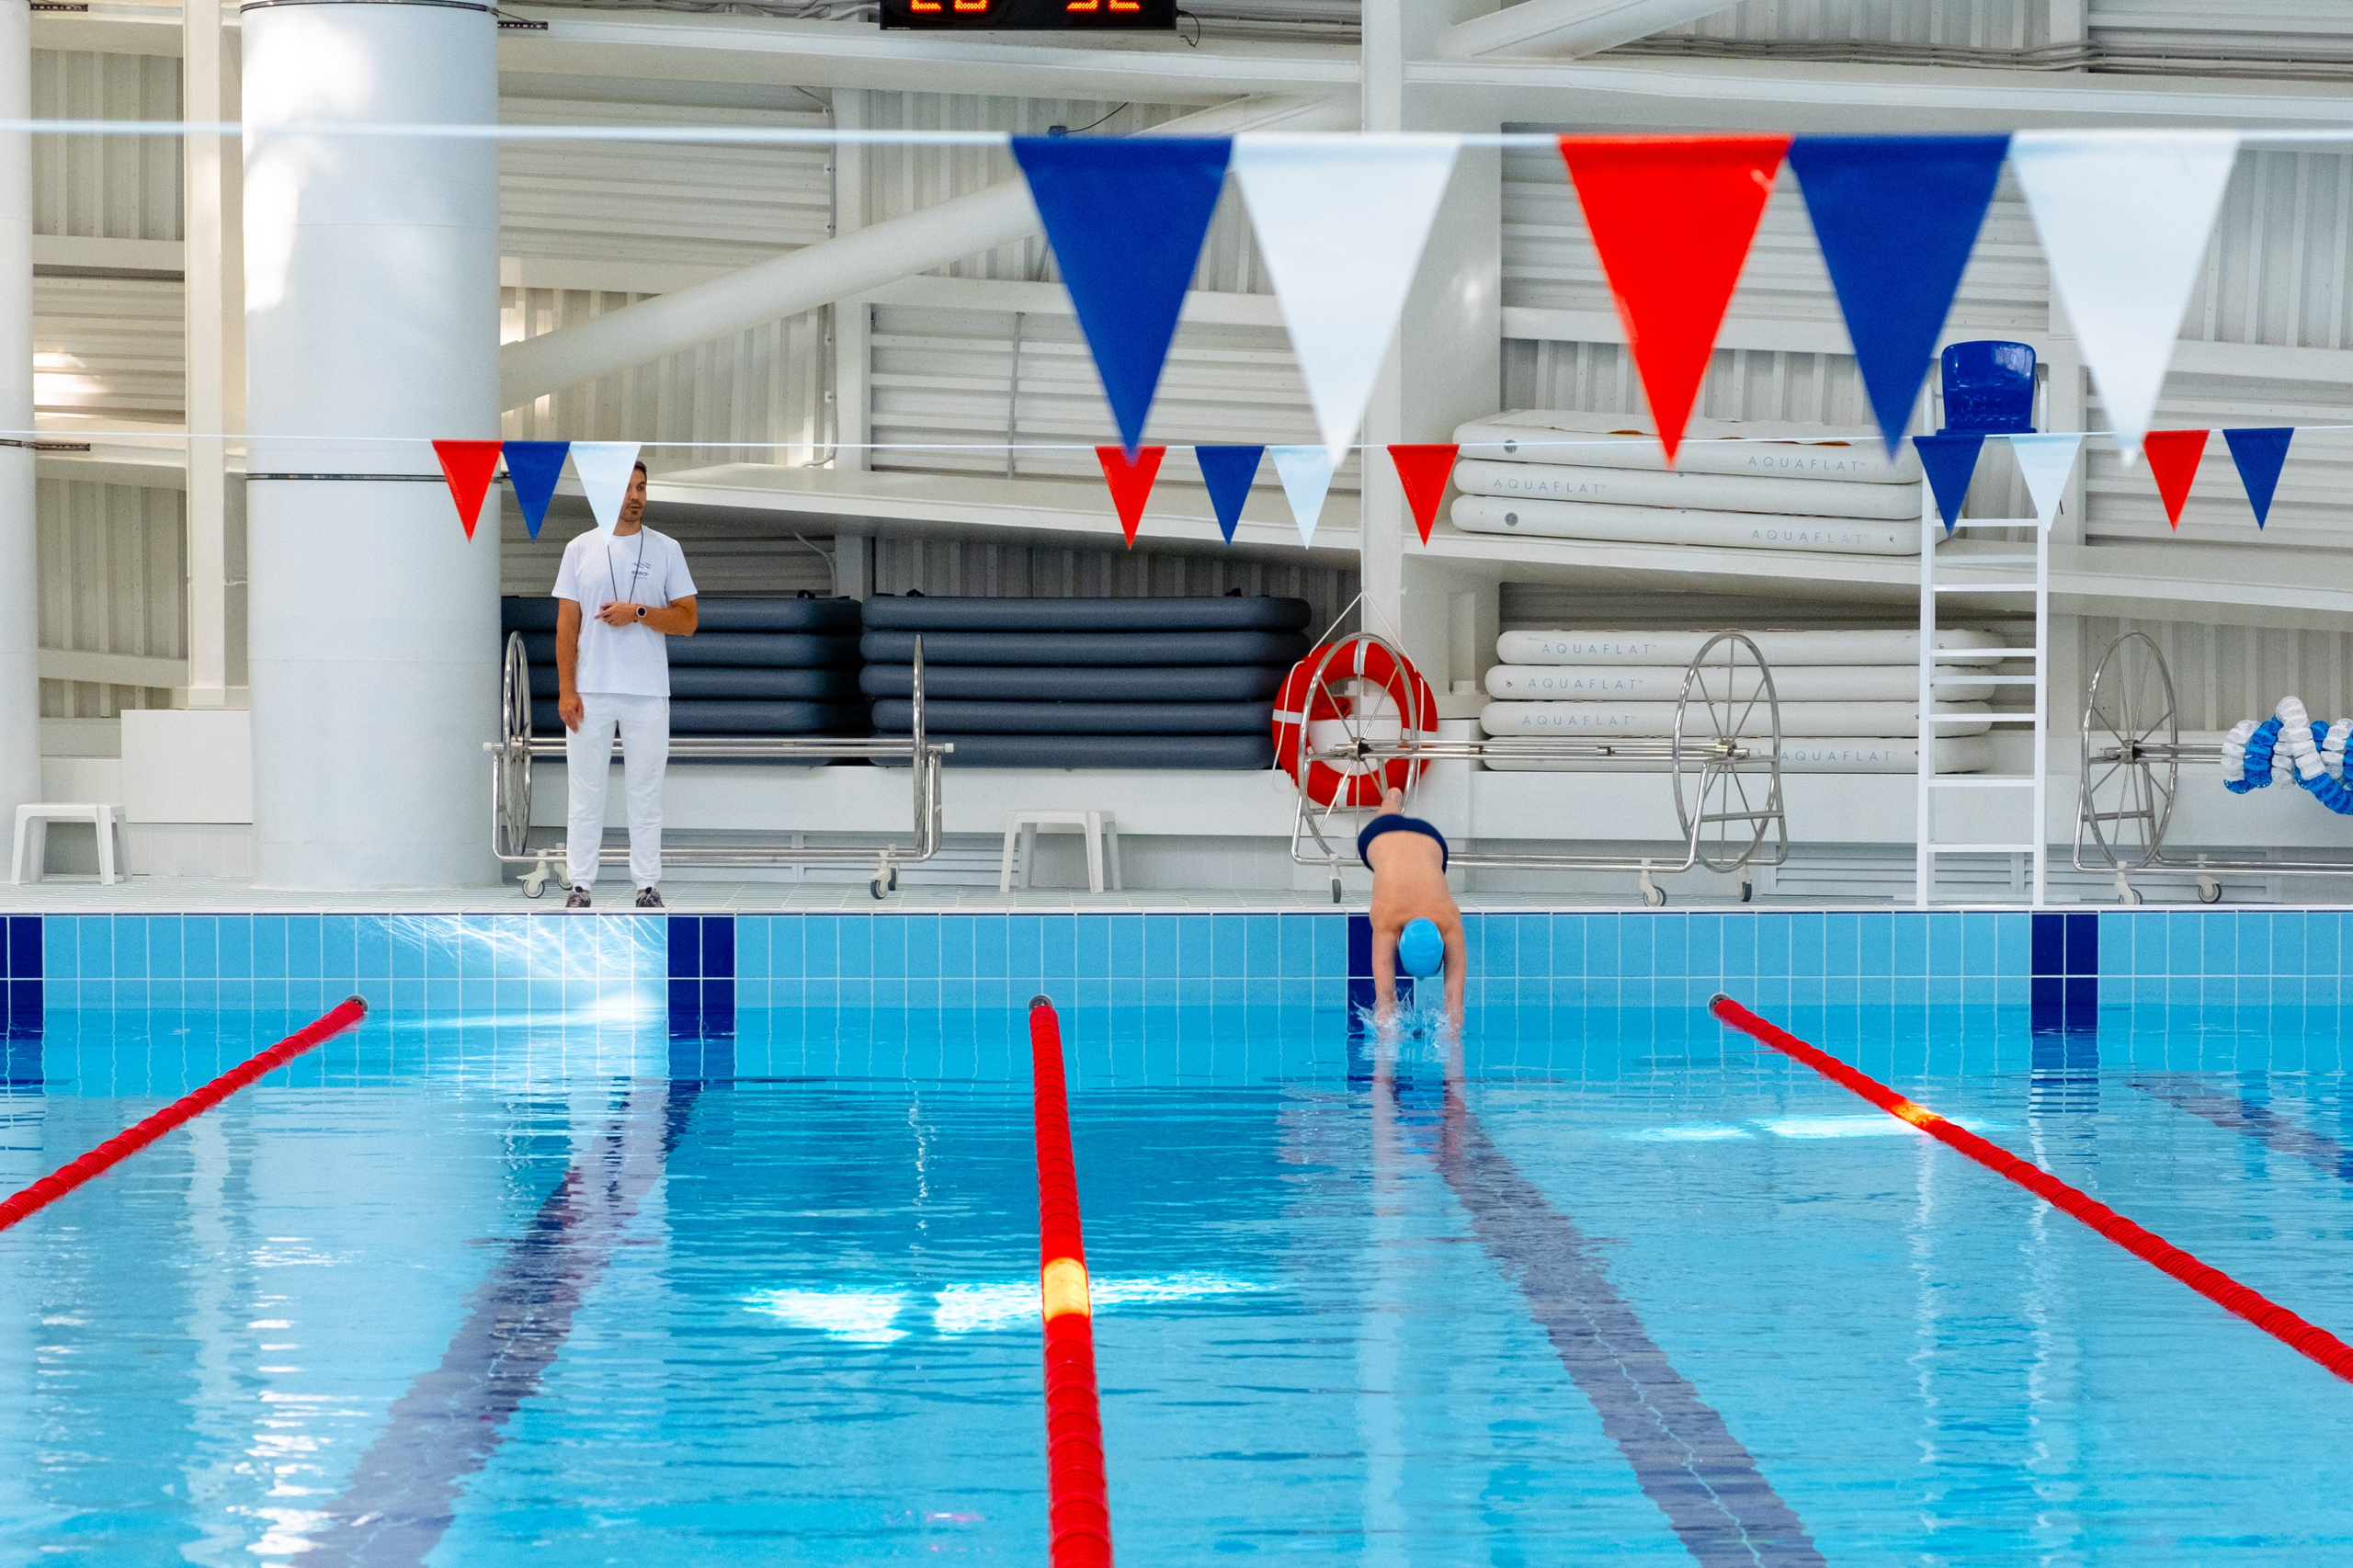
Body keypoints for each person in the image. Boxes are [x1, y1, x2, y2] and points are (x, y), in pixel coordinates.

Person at [551, 460, 698, 909]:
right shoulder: (579, 548)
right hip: (591, 691)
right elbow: (567, 625)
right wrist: (566, 688)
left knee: (646, 793)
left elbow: (688, 621)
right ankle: (580, 885)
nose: (636, 497)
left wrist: (638, 613)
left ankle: (647, 884)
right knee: (585, 793)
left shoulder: (667, 549)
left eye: (642, 488)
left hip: (648, 691)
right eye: (628, 489)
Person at [1358, 784, 1466, 1030]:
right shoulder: (1386, 921)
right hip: (1383, 833)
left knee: (1427, 870)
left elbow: (1387, 1003)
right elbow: (1384, 1004)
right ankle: (1391, 802)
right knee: (1386, 822)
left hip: (1431, 840)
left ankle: (1392, 799)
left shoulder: (1449, 920)